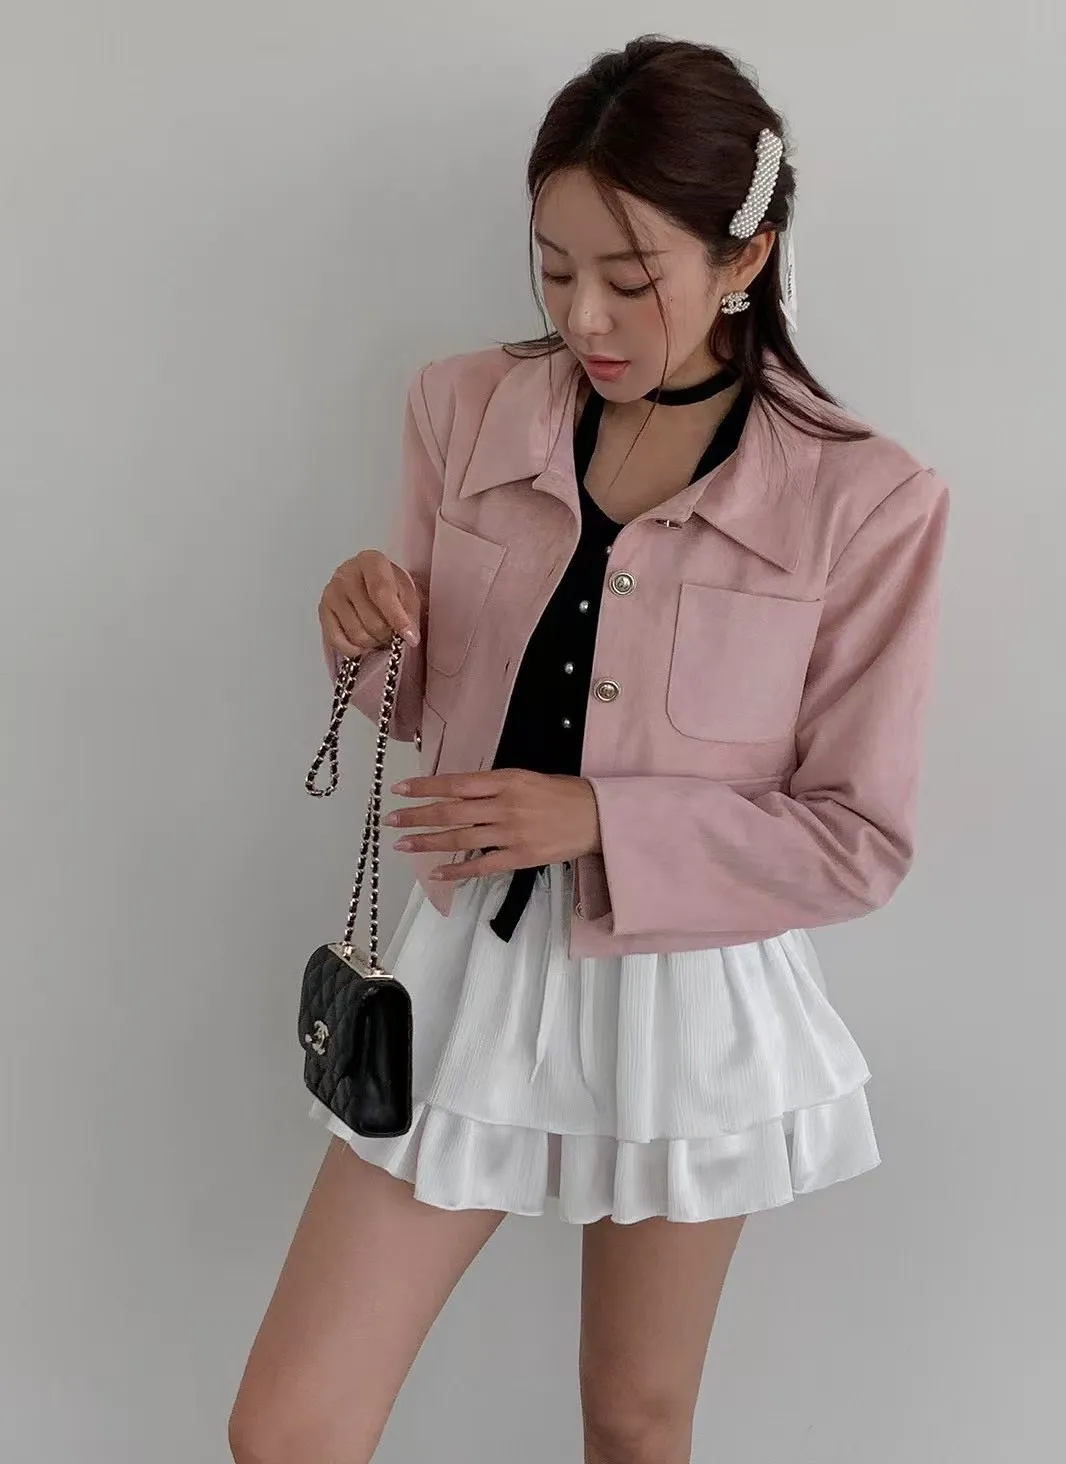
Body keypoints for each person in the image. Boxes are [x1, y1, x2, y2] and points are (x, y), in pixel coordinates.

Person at [230, 34, 949, 1464]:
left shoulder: (866, 499)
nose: (584, 316)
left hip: (690, 995)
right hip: (465, 968)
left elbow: (857, 838)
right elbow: (417, 706)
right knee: (289, 1427)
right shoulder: (463, 407)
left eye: (631, 277)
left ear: (745, 259)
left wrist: (603, 819)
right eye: (554, 269)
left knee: (633, 1423)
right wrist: (362, 626)